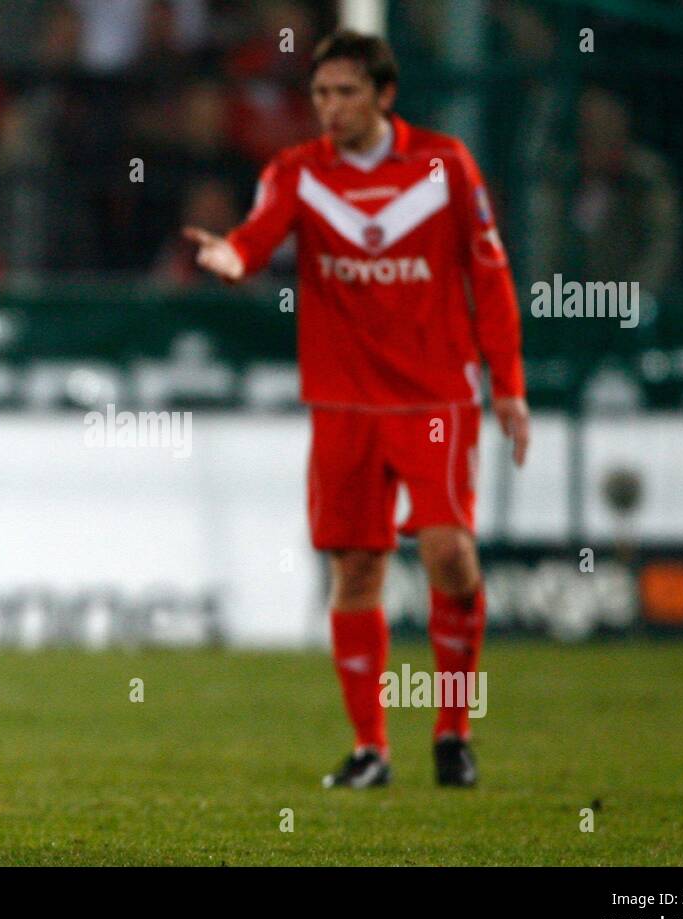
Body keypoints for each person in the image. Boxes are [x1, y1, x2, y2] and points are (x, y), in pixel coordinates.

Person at [184, 31, 530, 788]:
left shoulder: (443, 166)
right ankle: (372, 747)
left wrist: (507, 382)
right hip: (342, 400)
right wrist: (233, 258)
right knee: (357, 567)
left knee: (450, 554)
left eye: (344, 93)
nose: (329, 108)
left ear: (384, 94)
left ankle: (452, 726)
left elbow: (490, 274)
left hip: (434, 395)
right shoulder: (298, 172)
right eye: (319, 96)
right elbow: (257, 235)